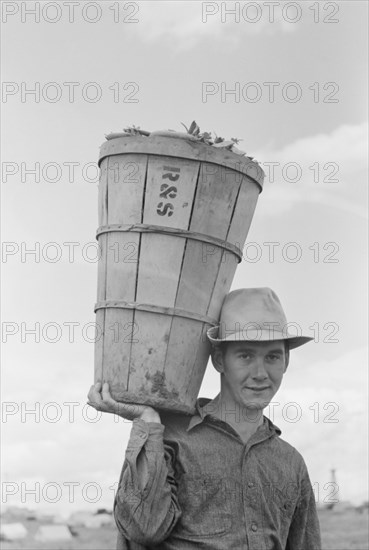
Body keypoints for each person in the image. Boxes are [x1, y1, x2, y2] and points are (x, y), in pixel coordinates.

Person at [87, 287, 322, 550]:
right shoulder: (169, 438)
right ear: (219, 360)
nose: (260, 373)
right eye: (245, 356)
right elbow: (143, 529)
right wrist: (148, 420)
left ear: (286, 362)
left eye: (272, 357)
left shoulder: (291, 463)